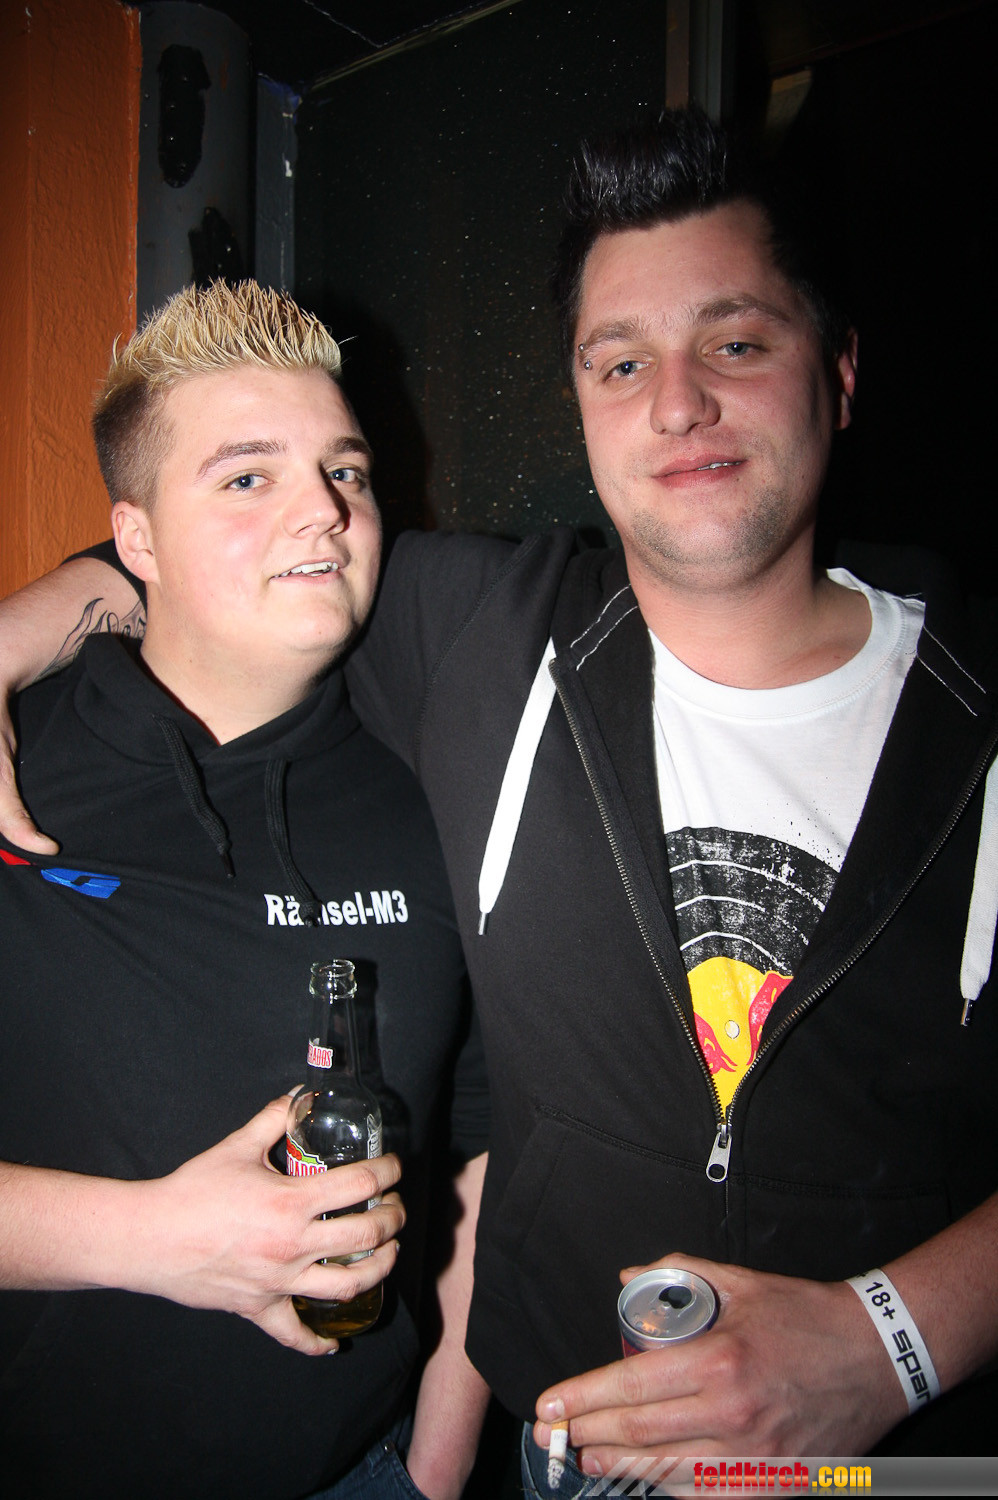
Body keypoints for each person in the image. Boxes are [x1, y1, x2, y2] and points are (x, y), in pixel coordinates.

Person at [2, 109, 997, 1488]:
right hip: (559, 1450)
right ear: (579, 403)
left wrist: (891, 1343)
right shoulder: (476, 636)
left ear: (835, 373)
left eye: (735, 343)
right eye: (620, 361)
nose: (676, 403)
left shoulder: (973, 702)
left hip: (902, 1466)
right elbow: (209, 556)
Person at [0, 281, 489, 1500]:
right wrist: (153, 1239)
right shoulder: (18, 771)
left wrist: (432, 1467)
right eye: (246, 477)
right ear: (137, 542)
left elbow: (483, 1148)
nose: (324, 510)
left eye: (345, 470)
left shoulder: (442, 791)